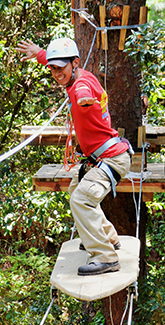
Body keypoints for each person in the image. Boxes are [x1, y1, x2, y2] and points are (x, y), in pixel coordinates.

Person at [16, 37, 131, 276]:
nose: (57, 73)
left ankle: (105, 257)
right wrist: (40, 53)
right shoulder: (73, 76)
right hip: (101, 158)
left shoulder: (82, 84)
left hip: (112, 158)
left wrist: (83, 100)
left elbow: (84, 92)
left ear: (75, 62)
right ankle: (109, 238)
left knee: (81, 199)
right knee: (76, 190)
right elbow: (52, 60)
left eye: (61, 67)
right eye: (53, 68)